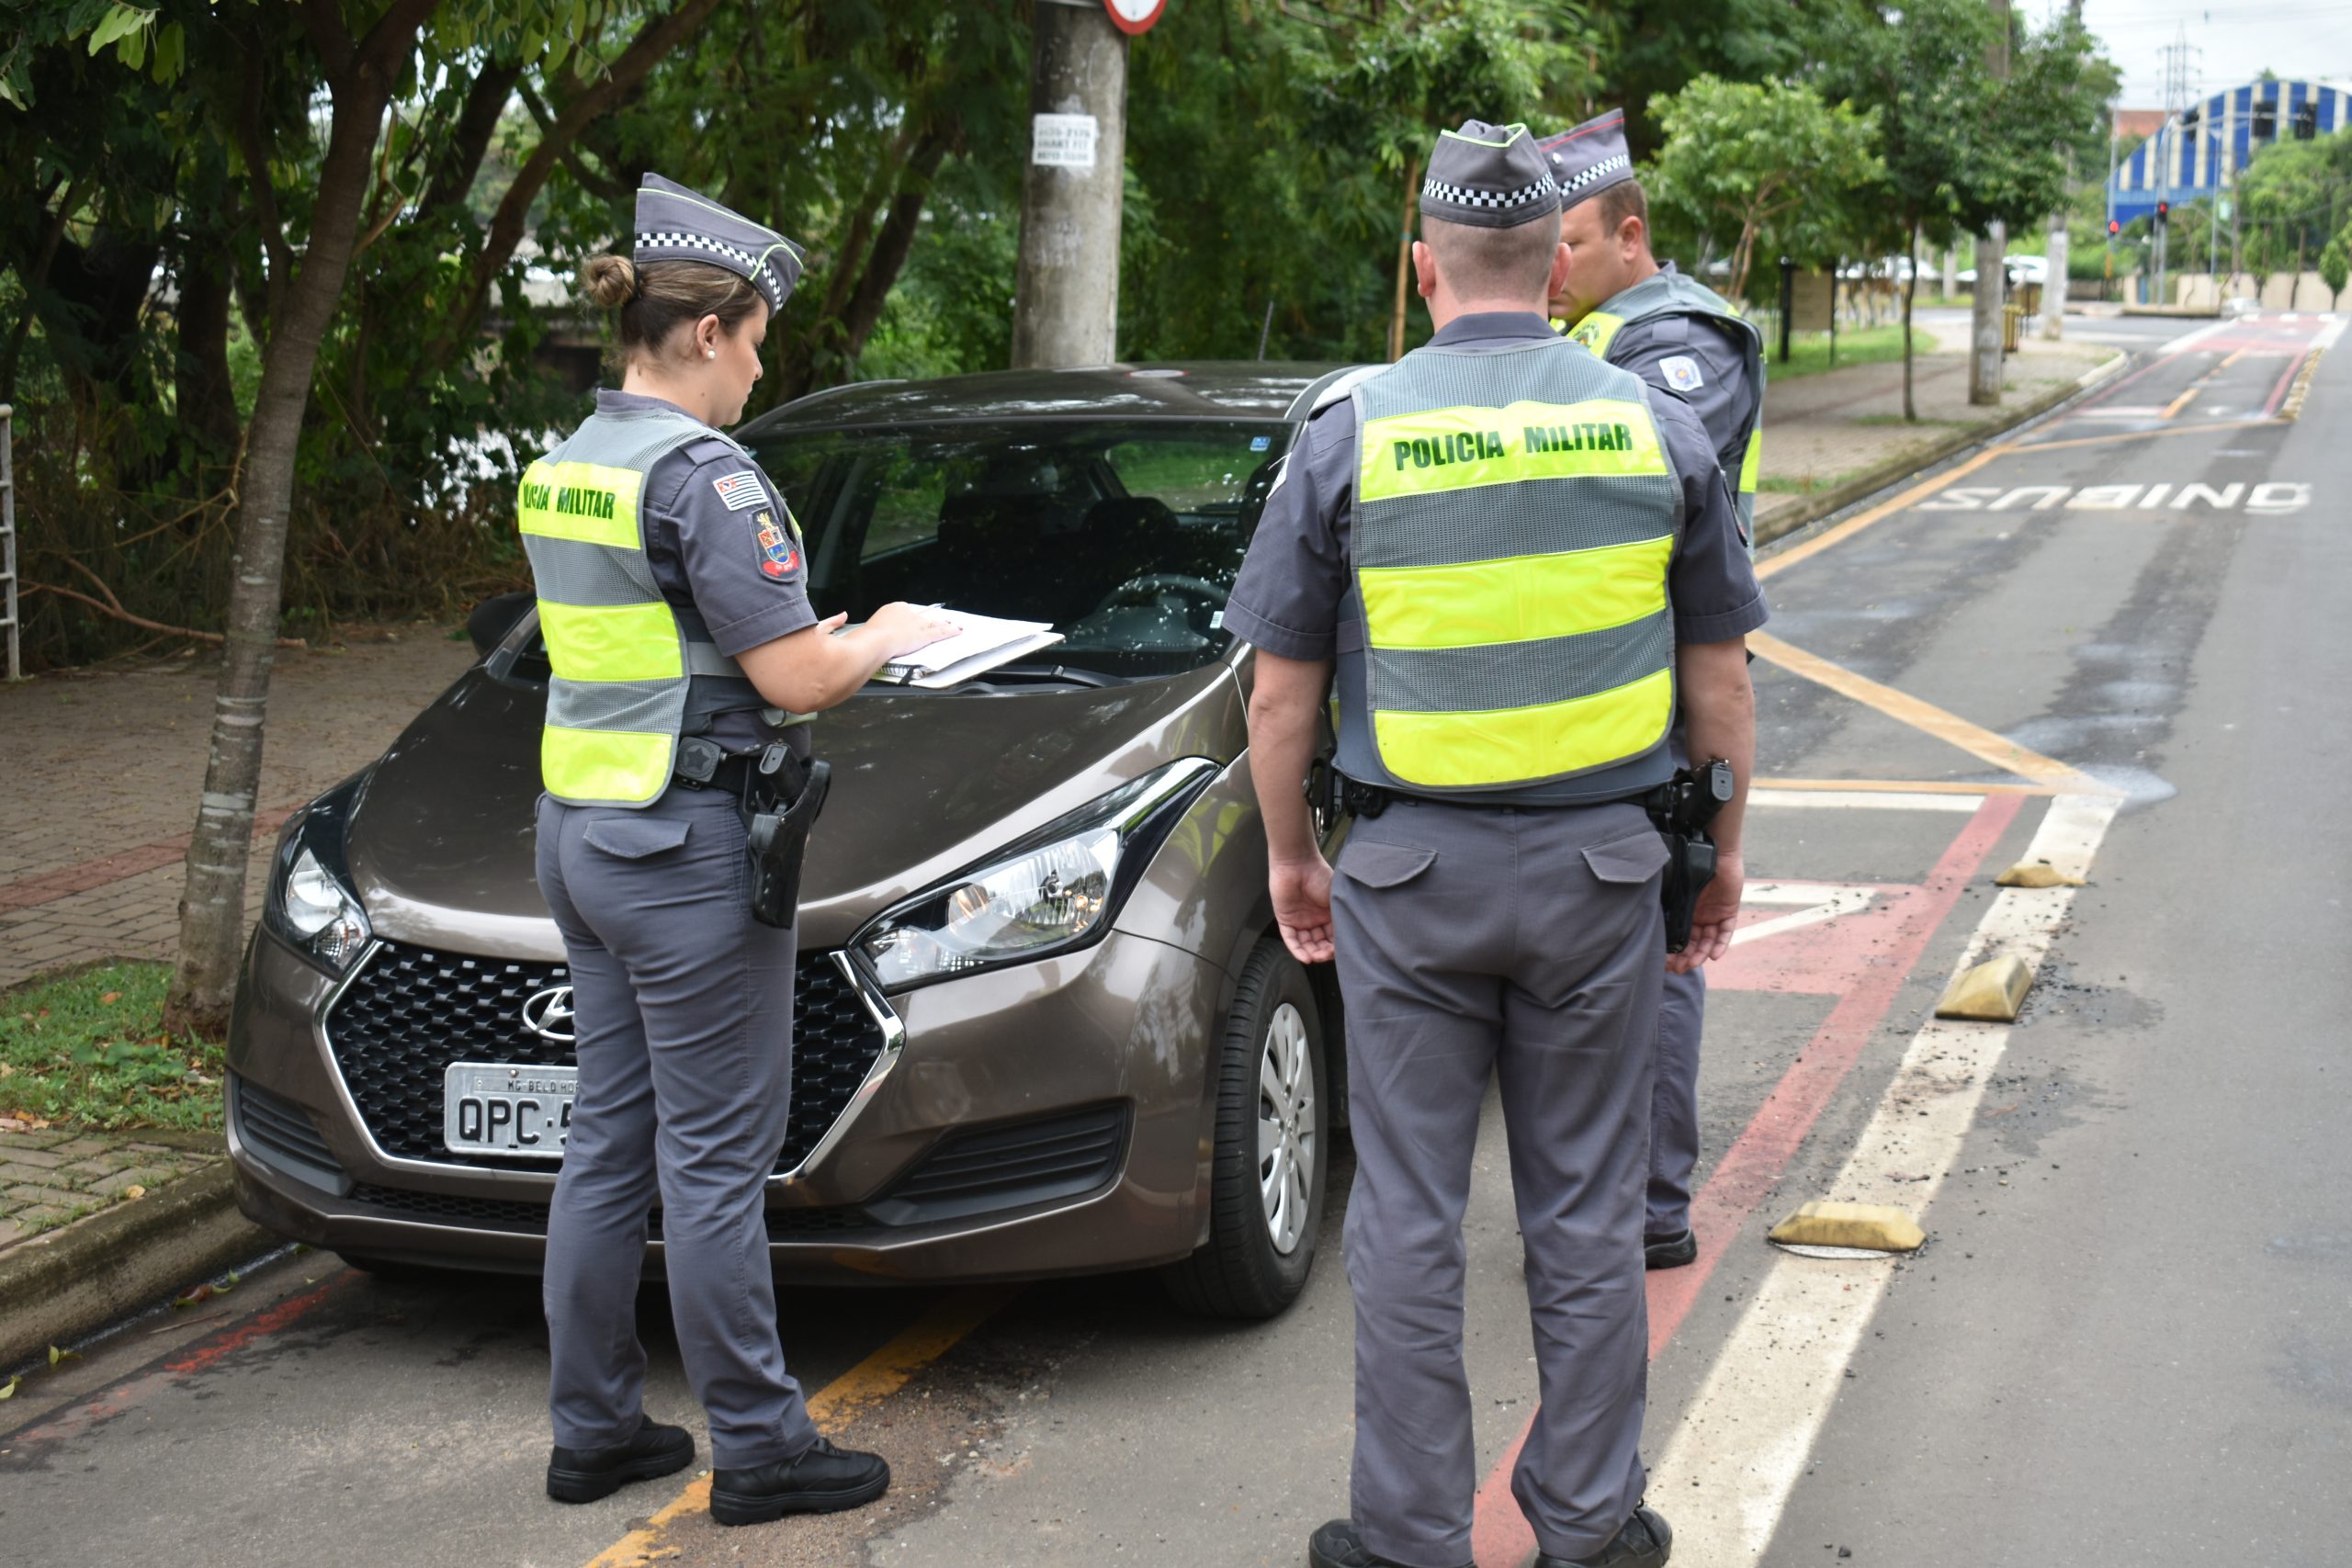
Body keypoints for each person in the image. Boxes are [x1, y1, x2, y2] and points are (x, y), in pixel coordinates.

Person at [1225, 121, 1764, 1568]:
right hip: (1603, 875)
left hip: (1408, 876)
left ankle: (1409, 1533)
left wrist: (1291, 856)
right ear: (1554, 266)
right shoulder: (1655, 425)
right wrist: (1717, 855)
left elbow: (1279, 695)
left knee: (1407, 1212)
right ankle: (1588, 1521)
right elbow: (1720, 683)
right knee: (1586, 1209)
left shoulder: (1353, 428)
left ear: (1428, 268)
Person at [523, 174, 955, 1526]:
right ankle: (763, 1448)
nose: (761, 369)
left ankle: (595, 1427)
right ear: (706, 332)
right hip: (684, 849)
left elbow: (655, 645)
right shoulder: (705, 479)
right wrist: (885, 633)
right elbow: (796, 674)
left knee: (608, 1139)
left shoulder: (571, 464)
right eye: (757, 341)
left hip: (582, 832)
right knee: (714, 1158)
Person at [1538, 109, 1769, 1272]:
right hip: (1598, 691)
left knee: (1662, 949)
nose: (1552, 265)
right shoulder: (1589, 335)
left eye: (1571, 243)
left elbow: (1642, 474)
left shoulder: (1682, 344)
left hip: (1670, 700)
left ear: (1630, 236)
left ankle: (1649, 1206)